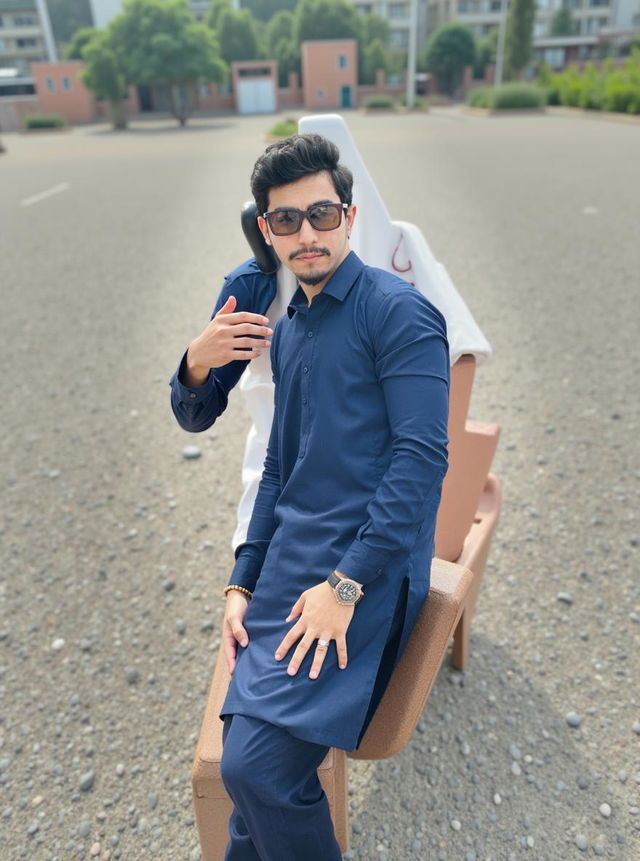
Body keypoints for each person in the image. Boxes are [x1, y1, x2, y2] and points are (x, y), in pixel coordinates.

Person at [173, 133, 450, 859]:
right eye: (287, 220)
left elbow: (422, 462)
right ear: (266, 230)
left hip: (362, 570)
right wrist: (241, 578)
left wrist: (347, 583)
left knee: (253, 768)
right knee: (250, 776)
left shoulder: (401, 315)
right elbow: (276, 470)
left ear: (350, 218)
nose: (307, 233)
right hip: (288, 567)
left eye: (322, 214)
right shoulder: (289, 327)